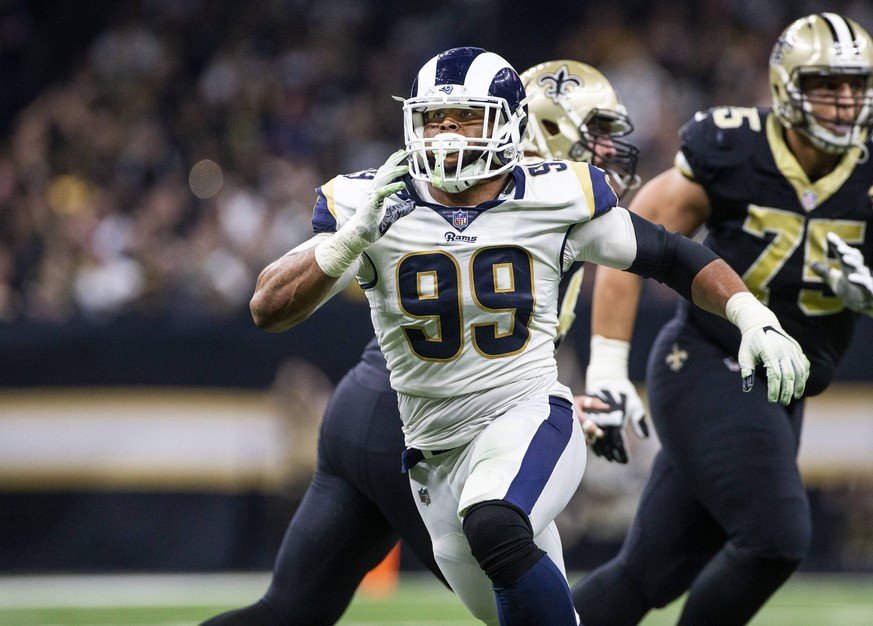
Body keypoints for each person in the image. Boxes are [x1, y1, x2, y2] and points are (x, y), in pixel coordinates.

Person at [247, 46, 808, 625]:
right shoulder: (370, 201)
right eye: (433, 119)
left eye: (463, 117)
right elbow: (267, 308)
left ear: (508, 124)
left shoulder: (556, 195)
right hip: (428, 456)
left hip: (527, 414)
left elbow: (669, 253)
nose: (444, 134)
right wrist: (345, 243)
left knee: (495, 520)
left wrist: (749, 314)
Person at [199, 58, 640, 626]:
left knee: (288, 613)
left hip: (363, 409)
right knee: (522, 589)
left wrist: (595, 380)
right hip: (422, 427)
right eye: (597, 134)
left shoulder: (540, 200)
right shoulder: (518, 200)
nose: (610, 150)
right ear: (547, 131)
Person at [572, 12, 873, 626]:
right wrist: (608, 367)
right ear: (788, 87)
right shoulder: (735, 147)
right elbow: (628, 241)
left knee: (650, 573)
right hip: (711, 364)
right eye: (826, 85)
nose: (844, 102)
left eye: (856, 86)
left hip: (783, 387)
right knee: (776, 538)